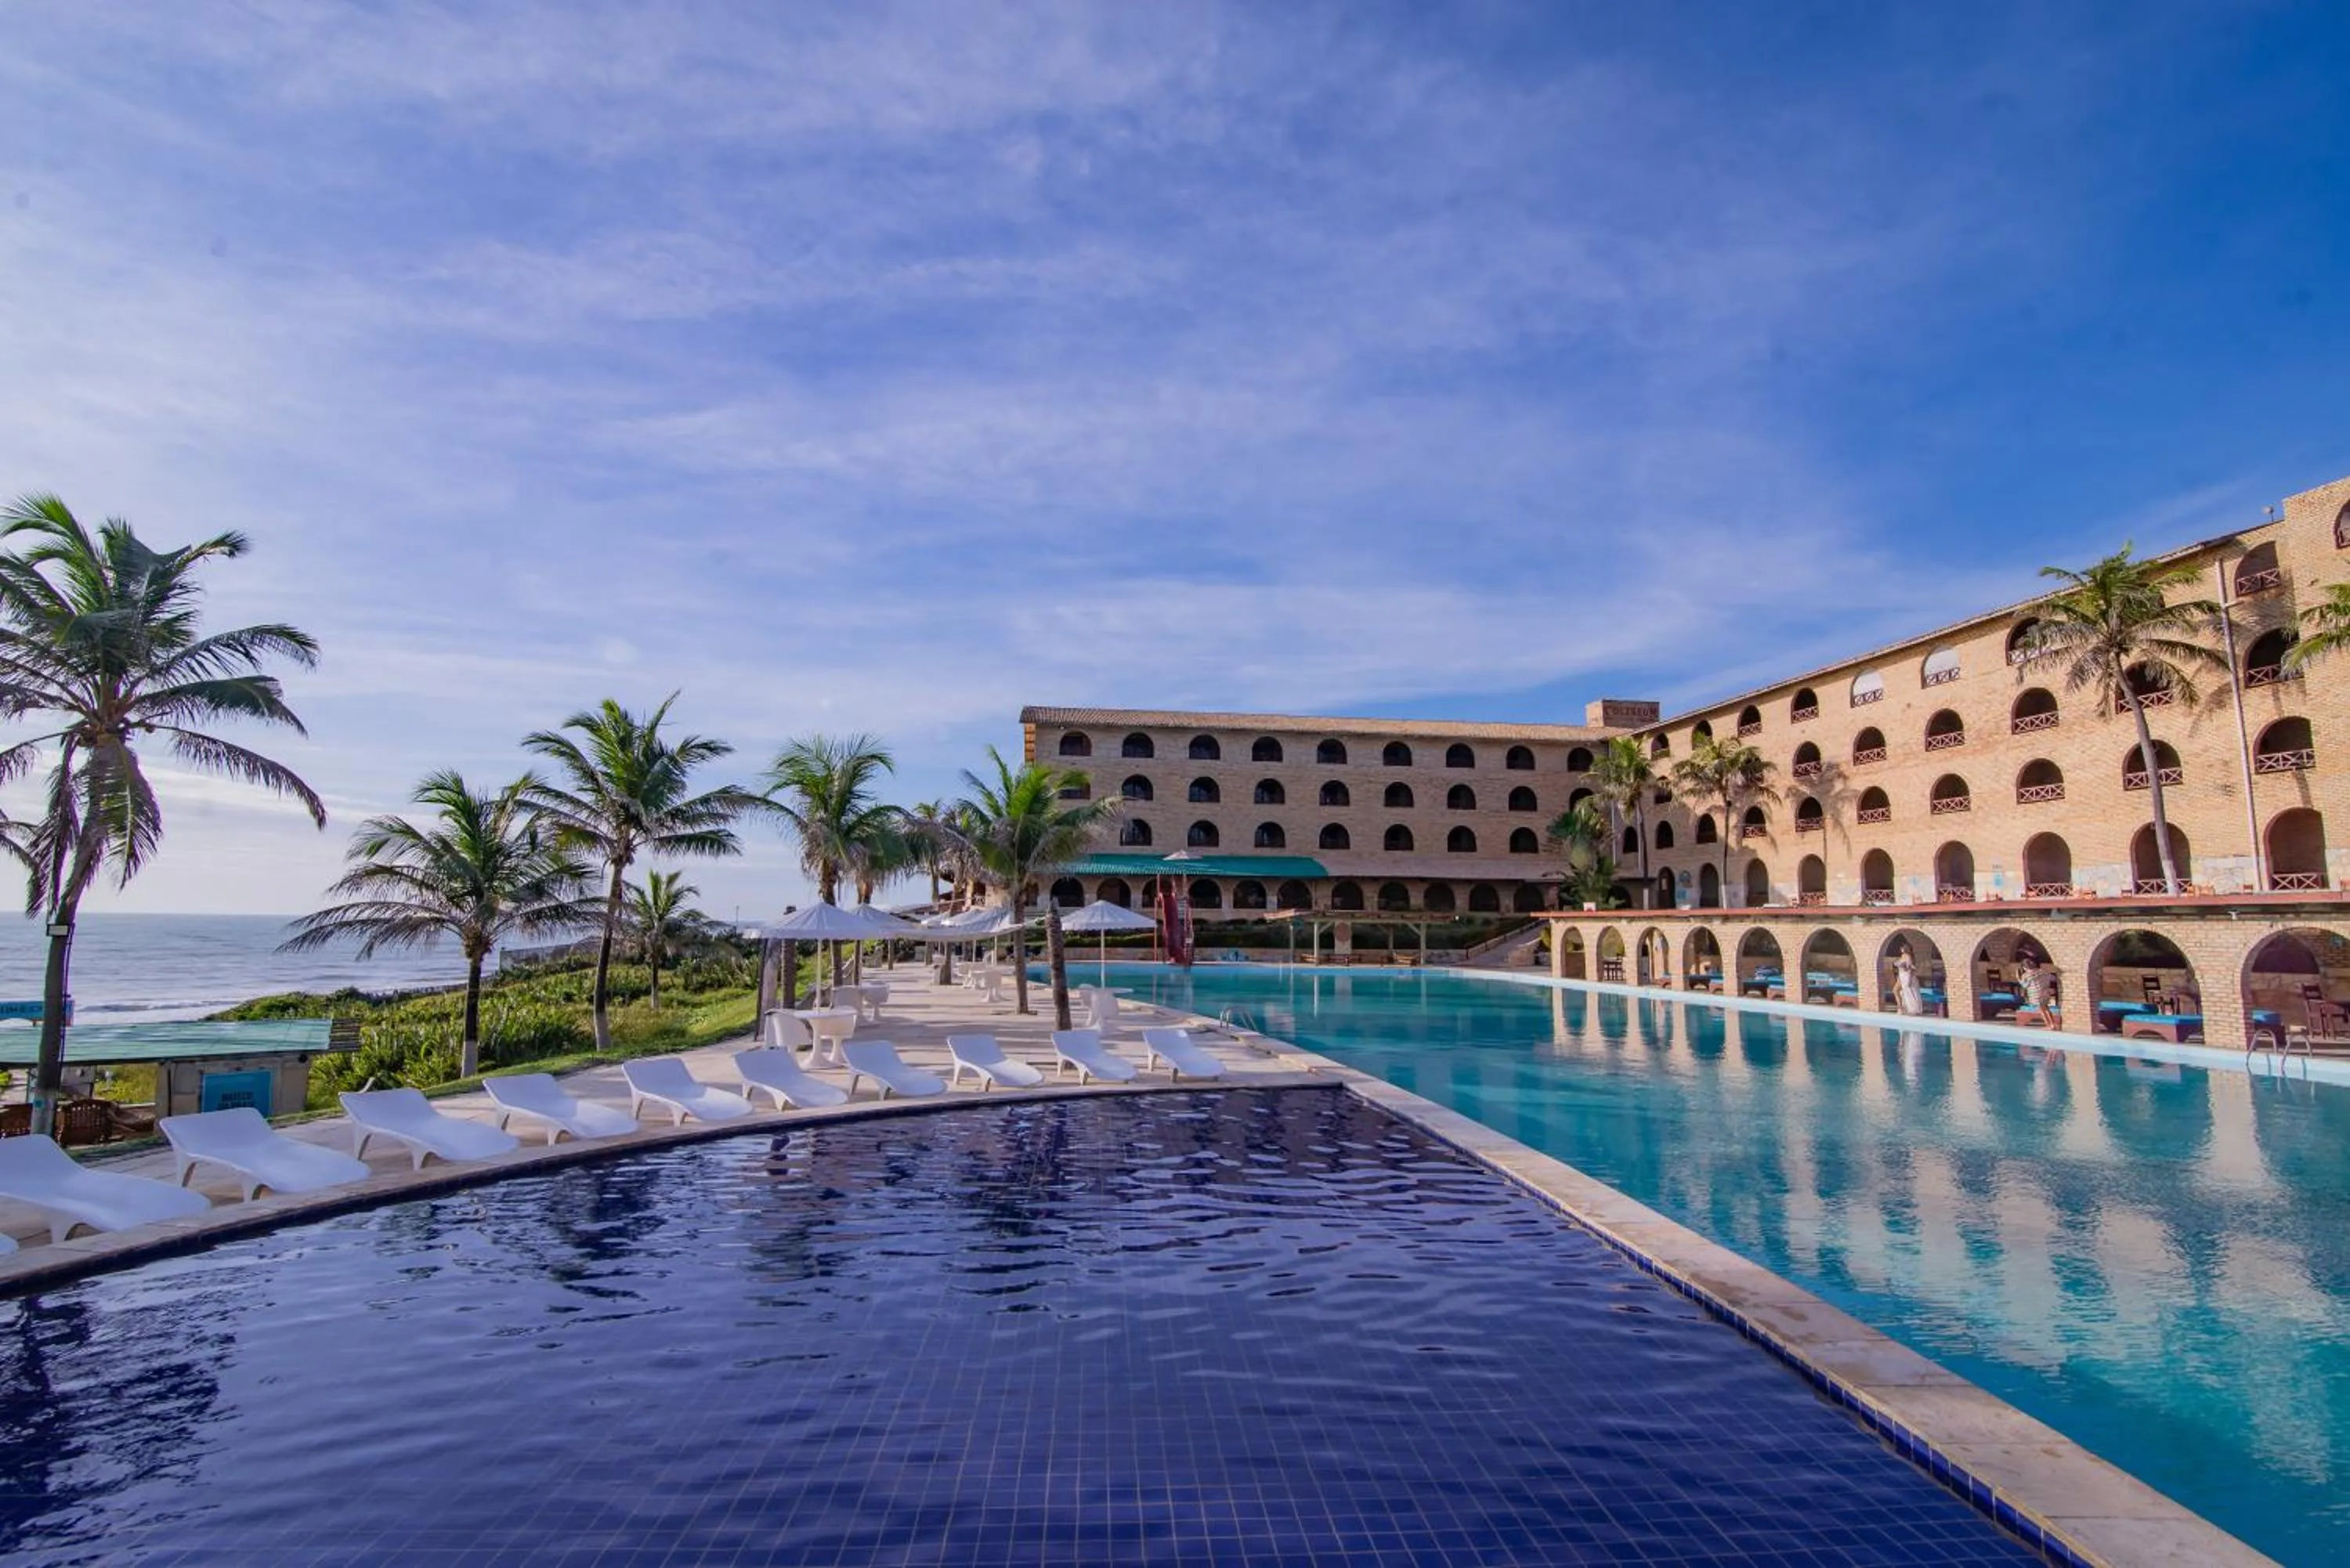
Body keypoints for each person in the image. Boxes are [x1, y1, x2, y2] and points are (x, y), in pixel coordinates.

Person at [1893, 949, 1926, 1016]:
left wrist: (1909, 977)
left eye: (1902, 948)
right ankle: (1901, 1008)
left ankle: (1903, 1008)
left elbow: (1911, 968)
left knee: (1906, 992)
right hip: (1901, 976)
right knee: (1896, 991)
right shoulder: (1902, 955)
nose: (1901, 949)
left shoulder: (1908, 956)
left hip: (1906, 976)